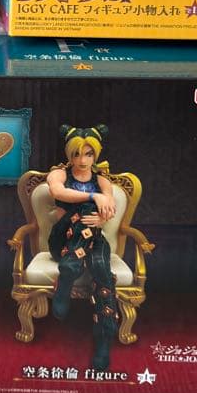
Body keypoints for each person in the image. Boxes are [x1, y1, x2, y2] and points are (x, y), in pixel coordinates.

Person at [46, 124, 119, 371]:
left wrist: (102, 219)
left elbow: (110, 208)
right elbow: (58, 192)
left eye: (88, 154)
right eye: (77, 154)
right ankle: (67, 272)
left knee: (100, 267)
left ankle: (104, 338)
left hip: (94, 238)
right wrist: (93, 197)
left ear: (95, 154)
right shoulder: (59, 174)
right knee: (85, 210)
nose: (83, 160)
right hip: (63, 239)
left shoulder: (102, 179)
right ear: (69, 154)